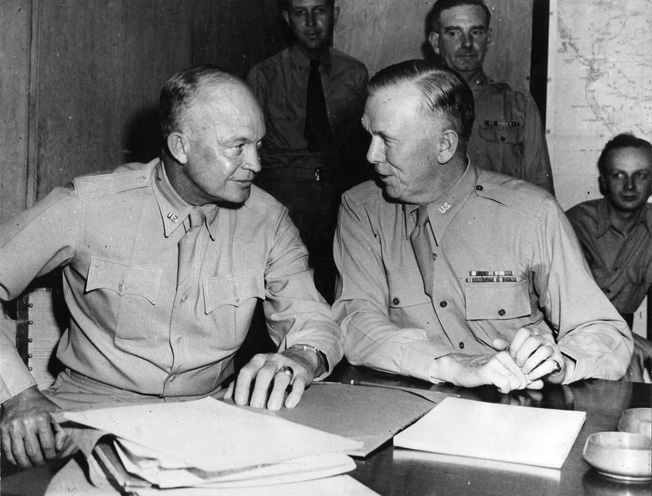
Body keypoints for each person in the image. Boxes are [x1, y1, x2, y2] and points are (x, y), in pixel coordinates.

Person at [0, 65, 343, 469]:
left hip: (211, 420)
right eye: (237, 146)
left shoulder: (267, 222)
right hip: (86, 418)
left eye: (259, 145)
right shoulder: (88, 206)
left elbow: (314, 320)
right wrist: (18, 394)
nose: (255, 163)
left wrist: (301, 358)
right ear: (180, 146)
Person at [333, 60, 632, 394]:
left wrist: (560, 362)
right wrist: (449, 365)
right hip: (410, 402)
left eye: (386, 139)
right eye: (369, 135)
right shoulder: (361, 210)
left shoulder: (531, 214)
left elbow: (604, 331)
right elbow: (354, 323)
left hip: (515, 408)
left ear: (444, 145)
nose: (372, 155)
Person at [246, 0, 369, 302]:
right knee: (287, 288)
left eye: (320, 11)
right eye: (301, 13)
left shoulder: (354, 73)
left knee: (342, 287)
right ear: (288, 18)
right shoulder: (264, 76)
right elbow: (251, 148)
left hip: (339, 196)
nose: (312, 22)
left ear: (335, 14)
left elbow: (364, 145)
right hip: (286, 197)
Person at [427, 0, 554, 194]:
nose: (467, 43)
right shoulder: (417, 102)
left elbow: (541, 190)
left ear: (488, 38)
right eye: (454, 33)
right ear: (436, 42)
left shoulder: (517, 105)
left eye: (476, 32)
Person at [566, 133, 652, 382]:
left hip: (622, 336)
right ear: (604, 181)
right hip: (569, 338)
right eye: (618, 175)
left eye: (641, 175)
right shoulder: (575, 224)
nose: (629, 186)